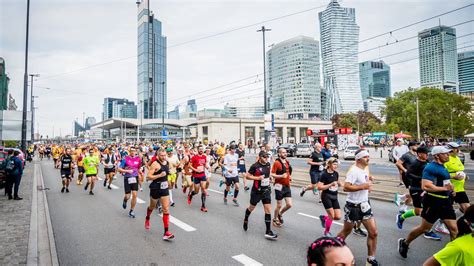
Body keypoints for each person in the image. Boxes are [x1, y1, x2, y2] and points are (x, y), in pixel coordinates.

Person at [398, 146, 458, 259]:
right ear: (437, 156)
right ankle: (405, 243)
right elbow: (425, 186)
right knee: (424, 228)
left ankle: (452, 257)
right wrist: (445, 189)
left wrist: (451, 190)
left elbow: (445, 182)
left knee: (454, 230)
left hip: (445, 202)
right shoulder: (430, 168)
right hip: (433, 201)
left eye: (448, 153)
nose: (448, 155)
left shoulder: (443, 167)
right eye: (444, 153)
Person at [337, 149, 380, 266]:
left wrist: (368, 181)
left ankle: (370, 259)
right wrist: (363, 186)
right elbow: (346, 187)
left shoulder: (364, 169)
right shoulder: (353, 171)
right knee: (346, 231)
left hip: (365, 205)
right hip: (353, 206)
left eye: (368, 156)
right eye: (366, 157)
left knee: (374, 232)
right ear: (358, 159)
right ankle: (331, 249)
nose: (368, 158)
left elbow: (364, 182)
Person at [395, 146, 441, 240]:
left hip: (424, 189)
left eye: (428, 153)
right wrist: (419, 179)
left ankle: (402, 217)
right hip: (416, 189)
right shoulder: (416, 163)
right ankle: (427, 230)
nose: (427, 155)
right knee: (420, 211)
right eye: (425, 153)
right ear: (419, 154)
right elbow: (408, 174)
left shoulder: (427, 162)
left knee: (422, 210)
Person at [242, 151, 277, 239]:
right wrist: (257, 178)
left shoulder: (268, 164)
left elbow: (268, 175)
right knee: (251, 208)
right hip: (256, 191)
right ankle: (246, 218)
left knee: (268, 210)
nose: (266, 159)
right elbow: (247, 176)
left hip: (266, 190)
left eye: (267, 157)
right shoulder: (255, 166)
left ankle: (268, 231)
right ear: (260, 157)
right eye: (265, 157)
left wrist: (271, 178)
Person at [145, 149, 175, 240]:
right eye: (161, 155)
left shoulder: (167, 162)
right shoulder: (155, 164)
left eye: (164, 155)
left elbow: (167, 173)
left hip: (164, 188)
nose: (163, 157)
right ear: (158, 155)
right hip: (155, 187)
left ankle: (166, 232)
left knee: (166, 209)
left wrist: (168, 180)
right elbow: (148, 176)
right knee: (152, 206)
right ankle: (147, 217)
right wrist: (159, 175)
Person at [318, 157, 342, 237]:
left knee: (338, 217)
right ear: (329, 164)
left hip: (335, 196)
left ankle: (324, 218)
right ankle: (326, 232)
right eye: (334, 164)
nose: (336, 166)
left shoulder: (336, 173)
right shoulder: (323, 174)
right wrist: (330, 184)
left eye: (336, 164)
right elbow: (319, 187)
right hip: (326, 196)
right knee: (331, 216)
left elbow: (338, 182)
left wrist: (342, 185)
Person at [444, 142, 470, 213]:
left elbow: (460, 170)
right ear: (450, 149)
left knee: (467, 209)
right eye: (456, 148)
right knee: (448, 211)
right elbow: (442, 174)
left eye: (458, 148)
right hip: (450, 189)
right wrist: (453, 177)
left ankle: (459, 222)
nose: (458, 150)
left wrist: (465, 176)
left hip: (460, 188)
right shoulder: (446, 159)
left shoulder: (457, 158)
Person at [271, 147, 293, 227]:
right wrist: (281, 176)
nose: (285, 154)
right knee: (279, 205)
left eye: (285, 152)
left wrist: (289, 177)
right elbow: (272, 174)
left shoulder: (287, 162)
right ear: (279, 154)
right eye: (283, 152)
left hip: (287, 186)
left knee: (289, 204)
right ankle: (274, 219)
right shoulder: (277, 163)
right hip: (279, 186)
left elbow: (287, 172)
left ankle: (280, 214)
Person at [394, 141, 419, 211]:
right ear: (411, 147)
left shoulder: (416, 155)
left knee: (416, 192)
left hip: (414, 177)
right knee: (415, 192)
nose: (417, 146)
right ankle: (402, 201)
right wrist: (405, 170)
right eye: (416, 145)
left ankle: (402, 203)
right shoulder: (406, 155)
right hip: (409, 177)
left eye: (417, 145)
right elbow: (398, 163)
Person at [118, 147, 142, 218]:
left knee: (134, 195)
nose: (132, 152)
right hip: (127, 178)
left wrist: (140, 172)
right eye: (131, 151)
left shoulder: (138, 159)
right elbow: (119, 168)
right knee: (127, 196)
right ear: (129, 151)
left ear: (135, 151)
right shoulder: (125, 159)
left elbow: (139, 167)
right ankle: (125, 200)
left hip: (135, 178)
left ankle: (131, 211)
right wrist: (127, 171)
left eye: (134, 151)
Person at [187, 145, 209, 212]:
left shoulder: (204, 157)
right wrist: (195, 170)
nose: (201, 150)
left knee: (203, 188)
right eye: (200, 149)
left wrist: (207, 166)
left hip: (202, 175)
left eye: (202, 149)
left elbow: (204, 164)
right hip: (196, 175)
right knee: (196, 191)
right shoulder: (194, 157)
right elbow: (189, 165)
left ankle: (203, 206)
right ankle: (191, 195)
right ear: (197, 150)